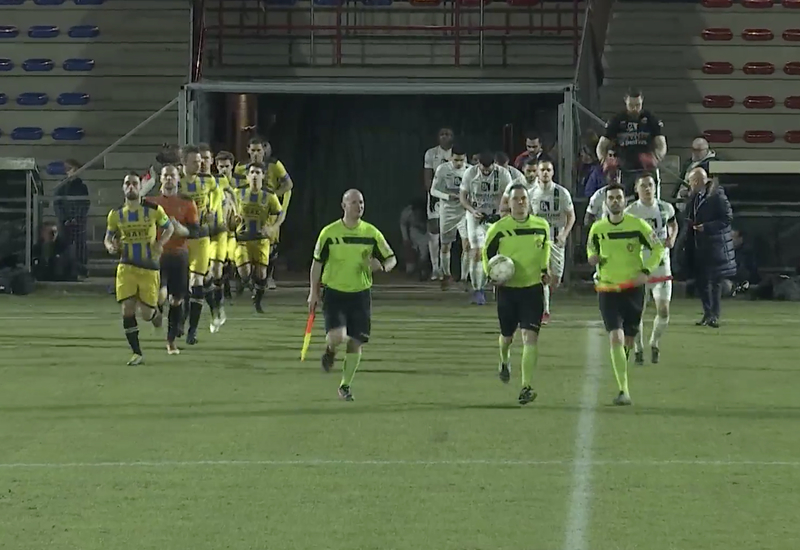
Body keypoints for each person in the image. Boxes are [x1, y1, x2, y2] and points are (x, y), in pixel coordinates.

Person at [308, 189, 396, 401]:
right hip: (335, 294)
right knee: (337, 337)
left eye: (362, 202)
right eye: (355, 202)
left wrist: (382, 267)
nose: (360, 206)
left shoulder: (371, 233)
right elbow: (316, 263)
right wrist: (313, 292)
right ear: (344, 205)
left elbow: (391, 259)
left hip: (360, 295)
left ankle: (345, 386)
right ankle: (330, 349)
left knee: (355, 342)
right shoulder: (329, 233)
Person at [587, 182, 664, 406]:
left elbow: (658, 248)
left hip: (633, 288)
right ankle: (623, 389)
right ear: (606, 202)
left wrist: (646, 271)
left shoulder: (638, 225)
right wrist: (592, 257)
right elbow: (591, 247)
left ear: (625, 200)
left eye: (619, 197)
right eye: (611, 198)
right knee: (616, 336)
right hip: (607, 287)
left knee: (629, 339)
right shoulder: (598, 228)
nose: (615, 201)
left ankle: (622, 371)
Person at [483, 184, 551, 405]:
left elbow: (545, 250)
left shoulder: (542, 226)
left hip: (532, 290)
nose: (520, 202)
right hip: (508, 291)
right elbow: (487, 255)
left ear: (529, 201)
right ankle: (504, 359)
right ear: (508, 203)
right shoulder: (499, 229)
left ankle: (526, 386)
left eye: (523, 199)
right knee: (507, 337)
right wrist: (490, 274)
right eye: (516, 199)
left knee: (529, 337)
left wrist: (545, 270)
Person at [104, 172, 174, 365]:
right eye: (128, 183)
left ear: (140, 187)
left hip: (149, 268)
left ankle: (156, 315)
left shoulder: (153, 210)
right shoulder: (116, 214)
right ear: (123, 188)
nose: (131, 187)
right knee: (127, 308)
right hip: (126, 267)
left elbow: (170, 228)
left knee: (146, 314)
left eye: (135, 183)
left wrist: (161, 243)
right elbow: (108, 238)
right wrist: (110, 247)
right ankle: (137, 353)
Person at [624, 174, 677, 364]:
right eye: (643, 186)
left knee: (663, 310)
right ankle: (638, 348)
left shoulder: (665, 207)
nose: (648, 189)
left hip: (662, 266)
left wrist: (672, 237)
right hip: (639, 268)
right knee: (638, 311)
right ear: (637, 189)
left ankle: (654, 343)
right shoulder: (631, 212)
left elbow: (672, 223)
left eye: (651, 185)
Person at [148, 165, 199, 355]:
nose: (169, 179)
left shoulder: (187, 203)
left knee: (177, 300)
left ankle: (170, 342)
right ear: (161, 179)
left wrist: (181, 229)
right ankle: (156, 312)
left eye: (172, 175)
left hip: (179, 255)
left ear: (178, 178)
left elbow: (195, 231)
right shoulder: (151, 201)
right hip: (158, 255)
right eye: (165, 175)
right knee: (160, 296)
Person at [235, 137, 294, 290]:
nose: (256, 154)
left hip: (268, 210)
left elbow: (288, 184)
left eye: (259, 150)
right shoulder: (241, 167)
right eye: (253, 150)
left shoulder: (275, 164)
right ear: (248, 150)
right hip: (247, 208)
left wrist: (273, 195)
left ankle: (268, 277)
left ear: (264, 150)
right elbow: (235, 186)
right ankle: (245, 278)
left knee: (271, 244)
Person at [460, 151, 514, 305]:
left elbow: (509, 197)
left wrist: (499, 213)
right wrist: (471, 210)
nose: (485, 171)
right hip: (475, 216)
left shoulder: (503, 174)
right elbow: (463, 196)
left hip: (496, 216)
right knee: (477, 252)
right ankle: (478, 289)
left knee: (497, 252)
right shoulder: (470, 173)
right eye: (483, 168)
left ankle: (500, 287)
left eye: (488, 168)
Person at [685, 167, 736, 327]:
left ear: (698, 181)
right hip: (699, 246)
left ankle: (714, 315)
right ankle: (707, 313)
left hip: (715, 247)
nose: (689, 185)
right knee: (702, 283)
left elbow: (727, 218)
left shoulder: (717, 196)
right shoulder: (695, 197)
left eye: (691, 181)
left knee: (715, 283)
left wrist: (706, 227)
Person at [529, 157, 575, 324]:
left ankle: (545, 298)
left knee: (555, 278)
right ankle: (544, 310)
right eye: (542, 170)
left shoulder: (561, 193)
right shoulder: (531, 193)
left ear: (553, 172)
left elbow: (571, 216)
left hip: (556, 239)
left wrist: (564, 235)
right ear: (537, 173)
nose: (545, 173)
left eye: (548, 170)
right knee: (543, 274)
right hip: (538, 239)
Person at [596, 87, 667, 196]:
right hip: (624, 170)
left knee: (650, 201)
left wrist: (657, 158)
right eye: (631, 105)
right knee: (625, 202)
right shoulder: (617, 120)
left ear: (642, 101)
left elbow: (661, 143)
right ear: (625, 101)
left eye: (638, 105)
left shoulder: (651, 119)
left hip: (646, 170)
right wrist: (604, 161)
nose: (634, 109)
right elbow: (602, 144)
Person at [234, 163, 283, 313]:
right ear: (247, 177)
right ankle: (245, 282)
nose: (255, 175)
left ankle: (258, 301)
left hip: (261, 240)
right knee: (245, 272)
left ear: (263, 176)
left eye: (258, 172)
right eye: (252, 173)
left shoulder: (269, 195)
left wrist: (273, 227)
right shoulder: (238, 193)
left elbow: (280, 213)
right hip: (242, 239)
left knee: (262, 274)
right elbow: (229, 209)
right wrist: (231, 220)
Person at [180, 145, 217, 345]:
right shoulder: (177, 184)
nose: (200, 164)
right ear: (184, 163)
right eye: (195, 161)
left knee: (196, 281)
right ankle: (182, 320)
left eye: (200, 161)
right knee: (183, 284)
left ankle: (191, 331)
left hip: (202, 238)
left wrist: (213, 211)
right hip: (182, 239)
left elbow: (218, 195)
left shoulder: (207, 181)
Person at [199, 143, 230, 332]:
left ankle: (218, 308)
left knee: (216, 269)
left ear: (212, 162)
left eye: (206, 159)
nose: (203, 162)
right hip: (199, 233)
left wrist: (233, 215)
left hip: (218, 230)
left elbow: (230, 199)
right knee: (203, 276)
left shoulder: (221, 181)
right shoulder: (189, 181)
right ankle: (215, 308)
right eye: (200, 159)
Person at [429, 145, 469, 288]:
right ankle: (446, 275)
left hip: (464, 211)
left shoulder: (469, 170)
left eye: (461, 160)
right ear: (451, 157)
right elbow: (433, 190)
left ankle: (464, 278)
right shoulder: (443, 169)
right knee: (445, 245)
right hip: (447, 211)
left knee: (467, 245)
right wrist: (447, 196)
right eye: (456, 160)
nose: (459, 163)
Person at [423, 127, 454, 281]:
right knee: (434, 228)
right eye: (441, 134)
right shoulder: (431, 153)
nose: (444, 137)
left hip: (453, 197)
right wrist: (433, 193)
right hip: (436, 195)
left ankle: (446, 269)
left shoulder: (458, 154)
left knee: (449, 232)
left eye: (447, 134)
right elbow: (427, 177)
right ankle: (435, 268)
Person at [53, 159, 90, 277]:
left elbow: (84, 203)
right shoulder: (61, 186)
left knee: (80, 245)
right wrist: (65, 219)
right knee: (64, 244)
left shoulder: (82, 187)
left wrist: (77, 218)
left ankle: (81, 269)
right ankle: (64, 270)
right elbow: (57, 204)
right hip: (64, 222)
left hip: (78, 221)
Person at [399, 199, 430, 279]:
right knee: (410, 269)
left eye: (419, 212)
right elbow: (403, 225)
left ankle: (423, 270)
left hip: (427, 231)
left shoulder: (430, 212)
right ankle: (410, 266)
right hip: (413, 230)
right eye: (416, 212)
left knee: (424, 253)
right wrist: (405, 238)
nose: (418, 214)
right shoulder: (407, 212)